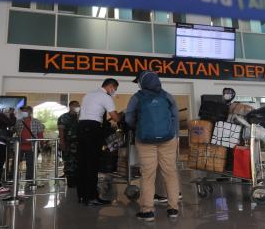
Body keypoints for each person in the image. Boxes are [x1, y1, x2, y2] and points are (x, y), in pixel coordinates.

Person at [126, 71, 180, 221]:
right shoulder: (168, 96)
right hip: (168, 140)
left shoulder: (136, 97)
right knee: (170, 173)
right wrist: (174, 135)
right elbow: (175, 117)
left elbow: (129, 118)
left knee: (148, 175)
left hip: (145, 140)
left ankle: (147, 211)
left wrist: (139, 127)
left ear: (142, 82)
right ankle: (173, 209)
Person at [77, 78, 122, 206]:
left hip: (81, 128)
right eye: (115, 89)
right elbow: (115, 117)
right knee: (92, 163)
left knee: (83, 163)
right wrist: (122, 115)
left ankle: (82, 196)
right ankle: (91, 197)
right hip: (92, 128)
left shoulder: (88, 95)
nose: (114, 92)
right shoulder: (105, 97)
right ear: (111, 86)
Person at [15, 106, 44, 184]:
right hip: (19, 146)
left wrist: (41, 144)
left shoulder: (36, 121)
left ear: (30, 112)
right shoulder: (18, 121)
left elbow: (40, 134)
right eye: (23, 111)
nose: (23, 112)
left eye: (25, 111)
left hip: (32, 146)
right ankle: (13, 178)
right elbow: (15, 132)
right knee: (15, 162)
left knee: (31, 164)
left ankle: (29, 180)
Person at [58, 100, 80, 187]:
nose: (77, 107)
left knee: (79, 162)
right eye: (75, 105)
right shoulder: (64, 117)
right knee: (69, 163)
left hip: (79, 144)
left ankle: (78, 180)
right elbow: (61, 131)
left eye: (78, 105)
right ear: (70, 106)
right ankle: (70, 182)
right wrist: (62, 143)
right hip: (68, 144)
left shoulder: (81, 117)